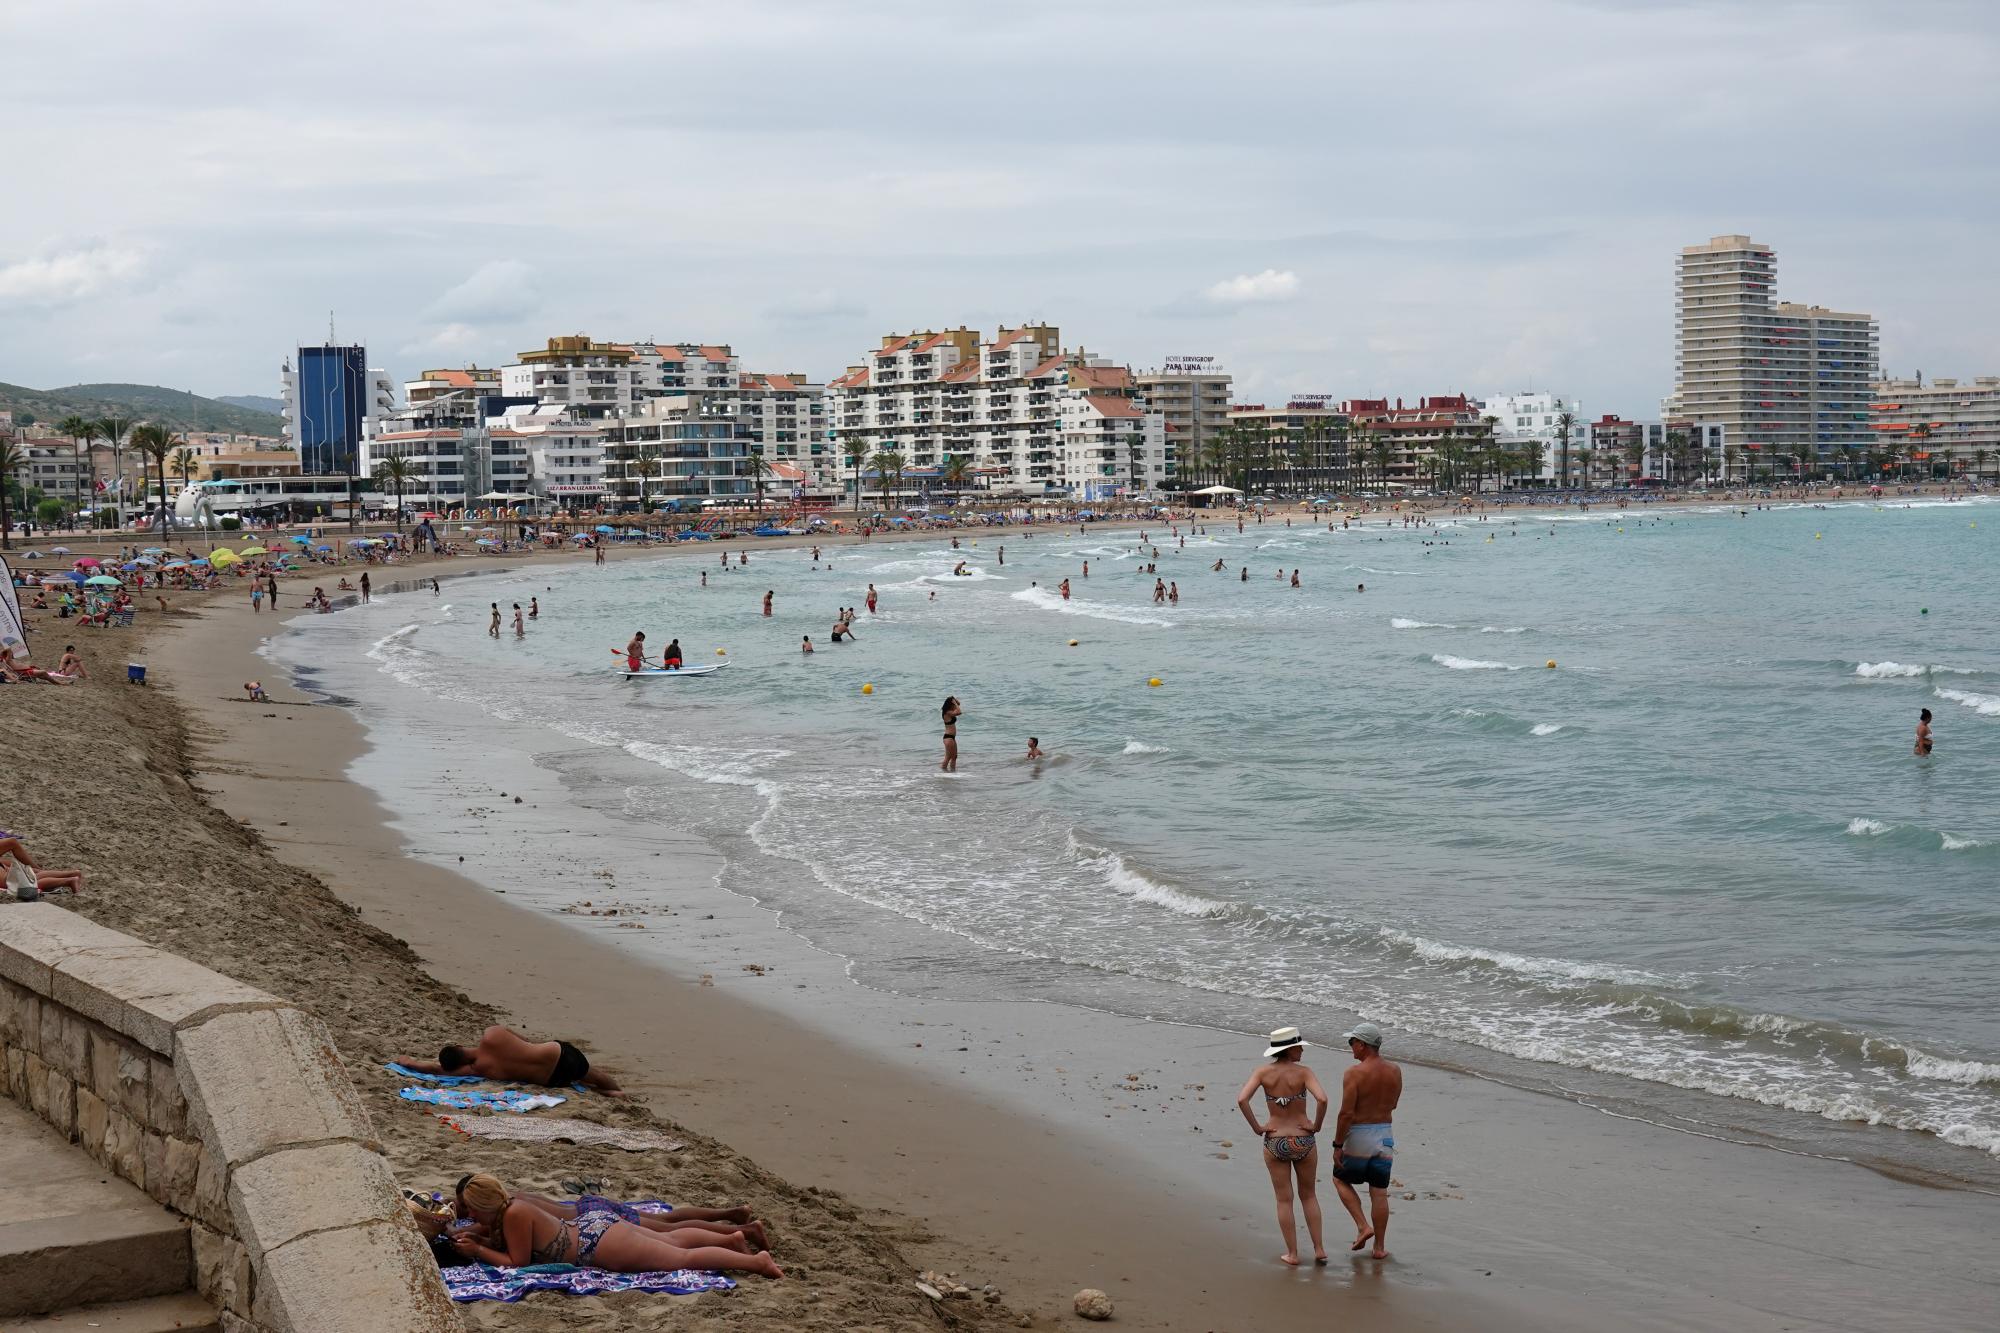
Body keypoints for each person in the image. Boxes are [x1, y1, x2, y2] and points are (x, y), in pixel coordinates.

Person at [451, 1174, 780, 1279]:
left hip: (599, 1243)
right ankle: (734, 1237)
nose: (473, 1219)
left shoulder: (514, 1215)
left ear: (485, 1206)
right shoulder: (514, 1208)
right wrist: (470, 1237)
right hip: (597, 1226)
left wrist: (478, 1250)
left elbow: (518, 1263)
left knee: (682, 1257)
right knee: (675, 1236)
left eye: (474, 1212)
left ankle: (755, 1262)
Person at [1235, 1026, 1329, 1267]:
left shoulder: (1263, 1073)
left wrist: (1257, 1128)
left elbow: (1242, 1099)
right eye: (1299, 1047)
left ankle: (1293, 1254)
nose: (1302, 1051)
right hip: (1303, 1140)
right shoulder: (1304, 1073)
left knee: (1284, 1200)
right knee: (1308, 1195)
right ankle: (1319, 1249)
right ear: (1290, 1049)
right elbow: (1323, 1099)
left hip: (1275, 1141)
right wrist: (1316, 1125)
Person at [1330, 1022, 1401, 1260]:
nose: (1350, 1047)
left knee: (1339, 1179)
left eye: (1352, 1042)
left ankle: (1363, 1226)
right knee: (1379, 1191)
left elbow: (1346, 1113)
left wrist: (1338, 1145)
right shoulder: (1395, 1070)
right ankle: (1379, 1248)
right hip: (1385, 1134)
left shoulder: (1354, 1073)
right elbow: (1393, 1104)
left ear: (1362, 1044)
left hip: (1360, 1133)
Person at [399, 1026, 624, 1095]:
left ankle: (609, 1095)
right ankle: (616, 1089)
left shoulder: (481, 1070)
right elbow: (525, 1040)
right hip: (556, 1053)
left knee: (582, 1085)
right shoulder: (492, 1034)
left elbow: (438, 1071)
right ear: (459, 1047)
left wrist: (411, 1063)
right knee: (594, 1075)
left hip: (552, 1078)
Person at [0, 835, 85, 896]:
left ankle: (69, 880)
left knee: (32, 883)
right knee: (34, 876)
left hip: (7, 877)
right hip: (6, 872)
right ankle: (71, 875)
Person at [940, 695, 961, 773]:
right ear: (950, 704)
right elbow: (959, 712)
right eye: (953, 703)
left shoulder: (950, 711)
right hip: (948, 737)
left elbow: (959, 704)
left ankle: (952, 773)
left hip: (952, 737)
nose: (955, 705)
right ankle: (943, 773)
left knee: (954, 757)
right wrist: (955, 703)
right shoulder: (947, 713)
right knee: (948, 757)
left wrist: (955, 700)